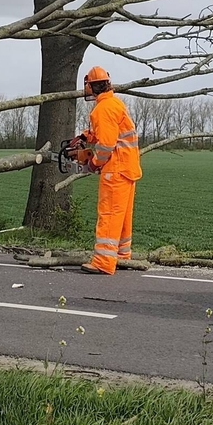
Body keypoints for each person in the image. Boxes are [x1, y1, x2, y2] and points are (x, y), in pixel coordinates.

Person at [79, 66, 143, 275]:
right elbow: (108, 132)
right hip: (127, 167)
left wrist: (94, 163)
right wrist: (86, 137)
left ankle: (104, 262)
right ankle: (122, 256)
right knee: (122, 216)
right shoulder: (114, 103)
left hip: (115, 169)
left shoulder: (103, 109)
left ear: (91, 86)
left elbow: (106, 144)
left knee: (108, 214)